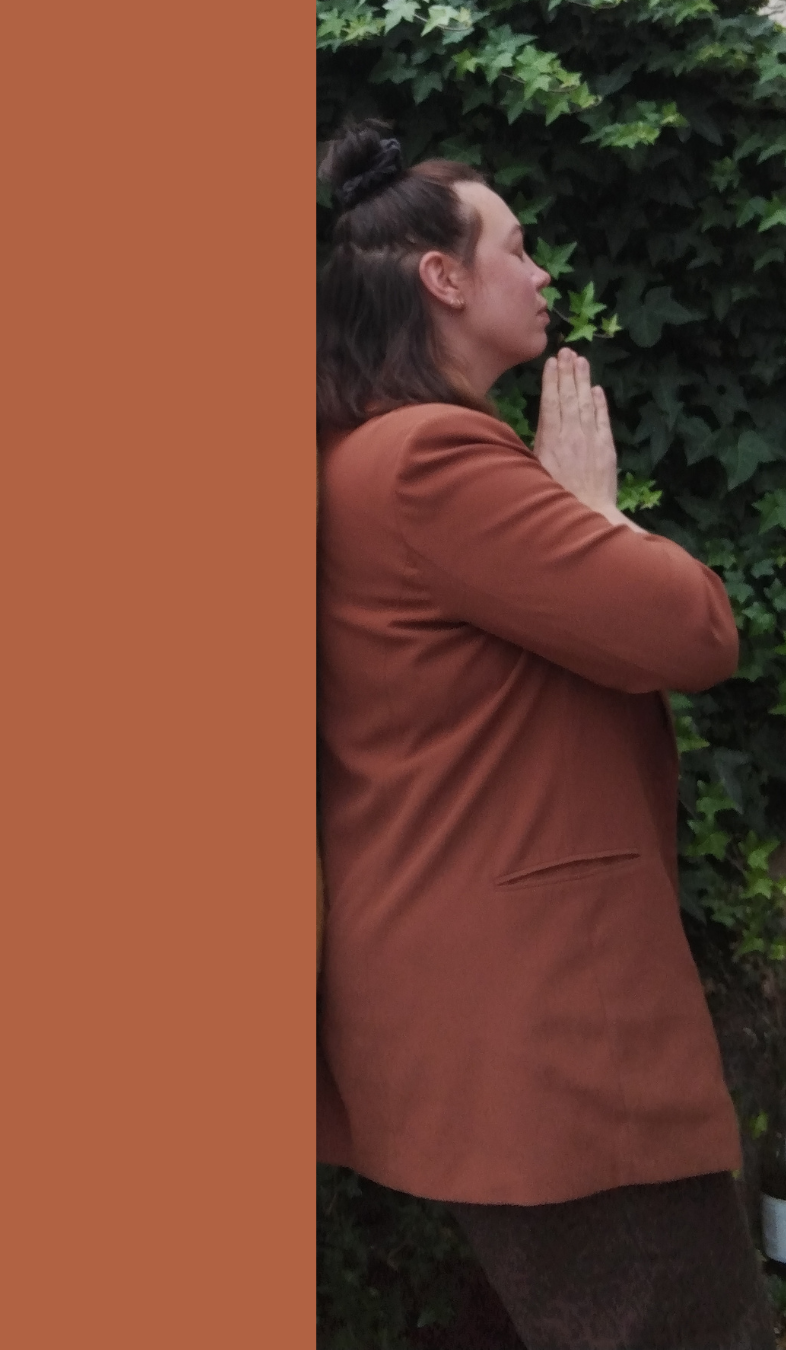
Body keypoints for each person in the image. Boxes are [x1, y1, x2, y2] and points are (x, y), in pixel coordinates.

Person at [315, 120, 778, 1349]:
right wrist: (594, 510)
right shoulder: (433, 461)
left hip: (478, 1019)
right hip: (553, 1033)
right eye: (515, 249)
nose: (541, 273)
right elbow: (694, 631)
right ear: (441, 277)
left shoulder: (361, 453)